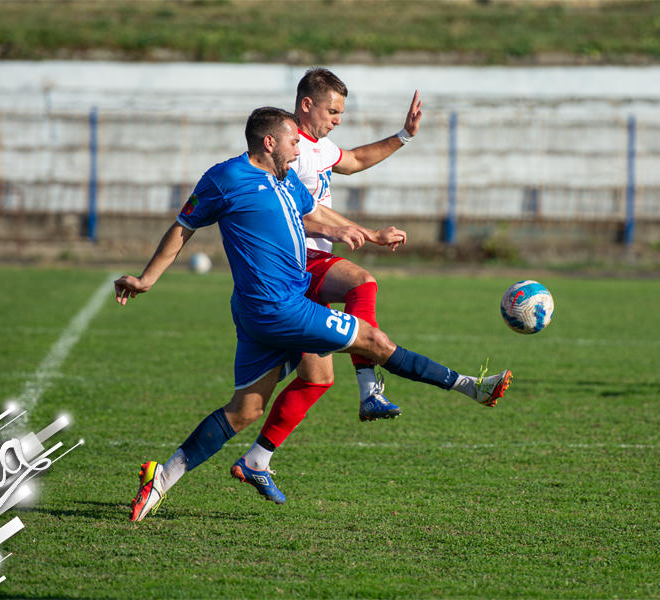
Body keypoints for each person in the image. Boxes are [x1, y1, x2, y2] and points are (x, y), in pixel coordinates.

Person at [120, 107, 511, 519]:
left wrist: (360, 232)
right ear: (269, 142)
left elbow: (315, 214)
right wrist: (147, 279)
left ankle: (161, 479)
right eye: (292, 141)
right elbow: (184, 225)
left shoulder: (285, 179)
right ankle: (469, 387)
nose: (298, 147)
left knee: (245, 411)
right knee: (375, 341)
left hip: (268, 310)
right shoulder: (225, 179)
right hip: (279, 308)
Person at [235, 67, 424, 486]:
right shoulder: (289, 153)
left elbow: (354, 160)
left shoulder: (319, 148)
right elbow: (288, 214)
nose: (338, 119)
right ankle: (369, 385)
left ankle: (256, 460)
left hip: (312, 261)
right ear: (307, 105)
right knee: (363, 282)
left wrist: (404, 136)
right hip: (297, 265)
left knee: (316, 378)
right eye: (332, 111)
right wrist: (366, 233)